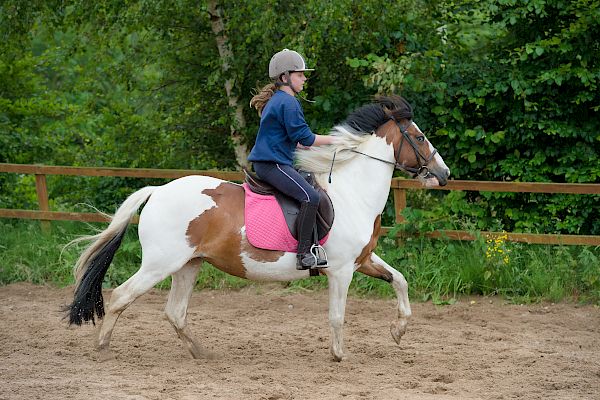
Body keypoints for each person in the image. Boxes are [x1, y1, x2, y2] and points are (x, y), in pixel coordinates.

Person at [248, 49, 336, 270]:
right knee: (311, 197)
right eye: (299, 75)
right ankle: (304, 254)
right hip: (273, 164)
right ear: (284, 77)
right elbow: (305, 138)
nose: (304, 79)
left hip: (272, 162)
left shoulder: (279, 100)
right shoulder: (287, 102)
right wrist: (336, 140)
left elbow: (297, 141)